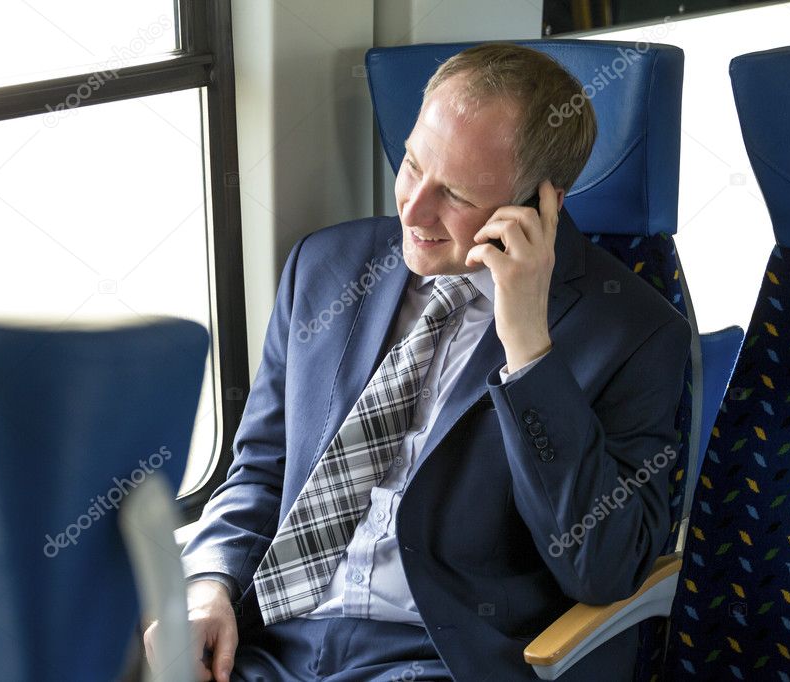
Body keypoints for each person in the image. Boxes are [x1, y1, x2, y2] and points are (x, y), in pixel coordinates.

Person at [145, 43, 691, 681]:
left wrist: (529, 351)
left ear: (541, 204)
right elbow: (262, 471)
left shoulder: (634, 334)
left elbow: (601, 565)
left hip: (438, 657)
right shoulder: (322, 269)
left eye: (455, 193)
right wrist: (209, 581)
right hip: (271, 643)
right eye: (412, 163)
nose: (413, 208)